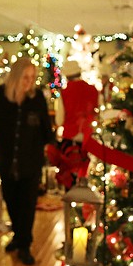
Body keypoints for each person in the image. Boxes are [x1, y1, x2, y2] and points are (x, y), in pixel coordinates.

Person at [0, 57, 54, 266]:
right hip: (7, 159)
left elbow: (46, 129)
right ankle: (18, 237)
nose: (29, 82)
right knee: (11, 200)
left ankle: (25, 245)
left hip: (31, 160)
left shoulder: (36, 99)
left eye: (33, 77)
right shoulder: (0, 95)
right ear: (16, 76)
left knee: (27, 204)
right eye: (26, 77)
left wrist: (56, 147)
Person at [49, 59, 98, 189]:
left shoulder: (64, 93)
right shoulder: (93, 90)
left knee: (69, 176)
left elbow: (60, 120)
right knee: (88, 173)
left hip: (70, 138)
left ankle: (70, 202)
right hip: (89, 138)